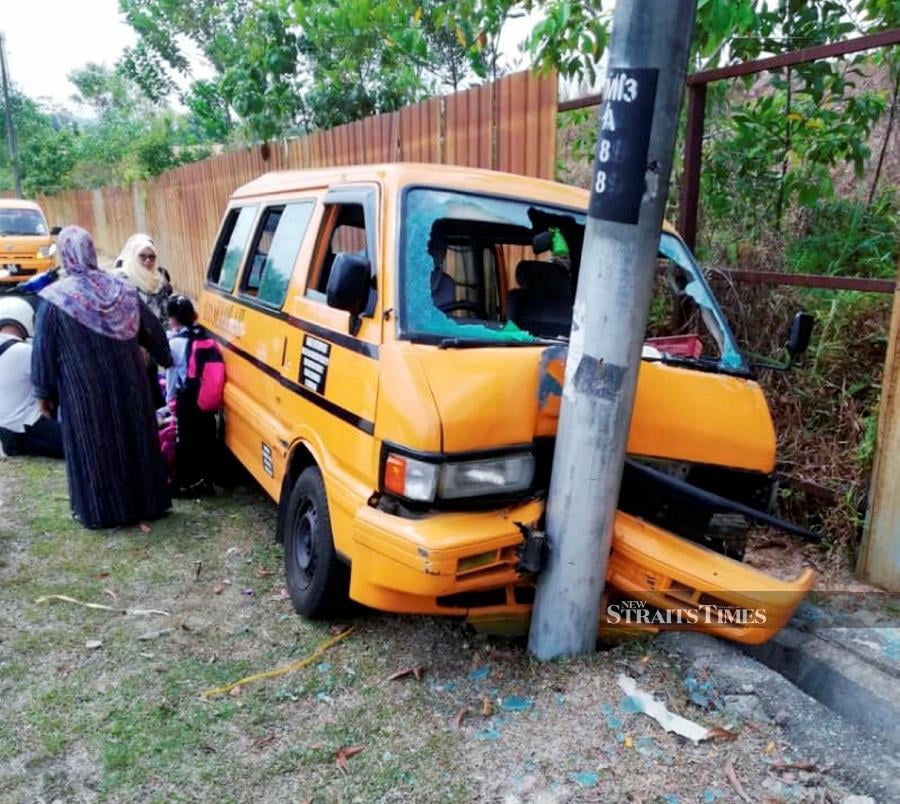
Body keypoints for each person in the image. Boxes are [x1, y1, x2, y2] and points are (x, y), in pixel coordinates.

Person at [31, 226, 173, 529]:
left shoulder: (55, 300)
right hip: (130, 384)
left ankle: (102, 512)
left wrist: (44, 393)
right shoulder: (121, 291)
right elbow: (154, 333)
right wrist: (165, 358)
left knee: (96, 447)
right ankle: (148, 504)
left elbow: (43, 350)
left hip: (84, 393)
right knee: (134, 441)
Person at [165, 295, 220, 495]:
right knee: (206, 437)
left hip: (186, 397)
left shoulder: (175, 343)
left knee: (186, 441)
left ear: (173, 319)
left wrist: (169, 399)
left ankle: (184, 483)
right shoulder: (205, 337)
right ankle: (207, 480)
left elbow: (171, 375)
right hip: (206, 397)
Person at [0, 297, 63, 458]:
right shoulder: (25, 351)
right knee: (86, 444)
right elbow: (54, 380)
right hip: (24, 429)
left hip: (6, 430)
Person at [114, 233, 172, 408]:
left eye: (152, 257)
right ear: (133, 256)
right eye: (143, 256)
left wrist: (155, 346)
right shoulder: (121, 281)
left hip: (151, 349)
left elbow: (163, 316)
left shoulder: (159, 282)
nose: (148, 261)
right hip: (128, 349)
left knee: (152, 394)